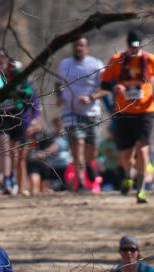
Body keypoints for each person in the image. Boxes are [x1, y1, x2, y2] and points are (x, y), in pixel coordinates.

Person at [100, 29, 154, 204]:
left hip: (146, 110)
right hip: (123, 111)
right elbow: (104, 83)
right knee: (126, 154)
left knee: (142, 149)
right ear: (127, 46)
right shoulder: (117, 61)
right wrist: (115, 88)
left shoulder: (150, 60)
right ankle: (128, 175)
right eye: (131, 47)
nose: (134, 50)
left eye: (137, 47)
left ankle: (141, 189)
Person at [56, 37, 104, 191]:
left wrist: (91, 98)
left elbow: (105, 88)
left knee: (92, 149)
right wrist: (58, 96)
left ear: (87, 48)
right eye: (76, 45)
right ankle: (81, 182)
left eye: (82, 46)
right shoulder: (64, 65)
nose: (78, 48)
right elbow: (57, 83)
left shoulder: (96, 64)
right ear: (72, 47)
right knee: (77, 146)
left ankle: (90, 165)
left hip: (92, 113)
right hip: (71, 112)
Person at [0, 48, 35, 195]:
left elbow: (29, 91)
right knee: (4, 146)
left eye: (2, 56)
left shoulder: (15, 72)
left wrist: (17, 93)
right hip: (0, 113)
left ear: (7, 59)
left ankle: (13, 179)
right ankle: (6, 179)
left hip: (16, 112)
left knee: (15, 149)